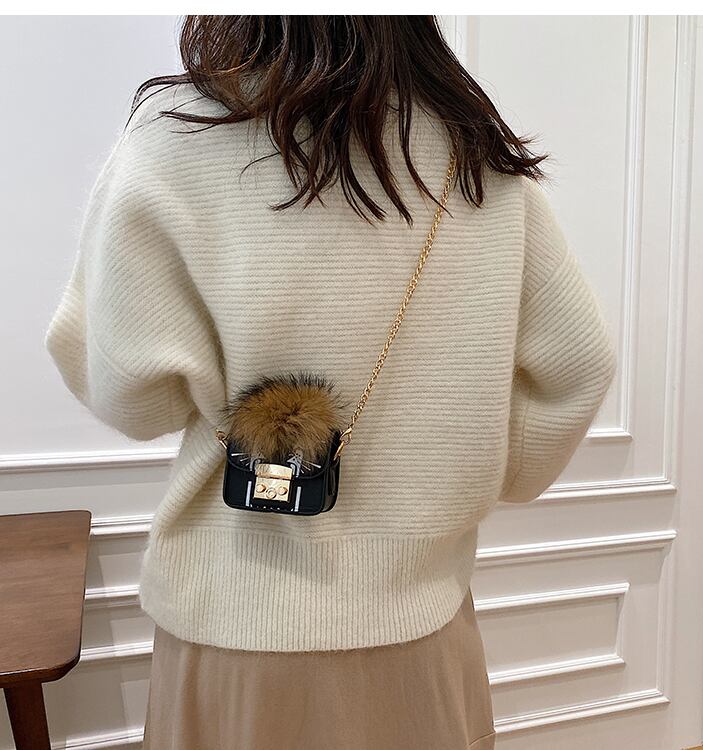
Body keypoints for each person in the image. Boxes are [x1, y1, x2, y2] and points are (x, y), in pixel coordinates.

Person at [45, 15, 617, 750]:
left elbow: (131, 394)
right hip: (422, 635)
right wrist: (461, 472)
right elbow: (579, 362)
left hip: (233, 633)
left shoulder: (177, 136)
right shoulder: (472, 148)